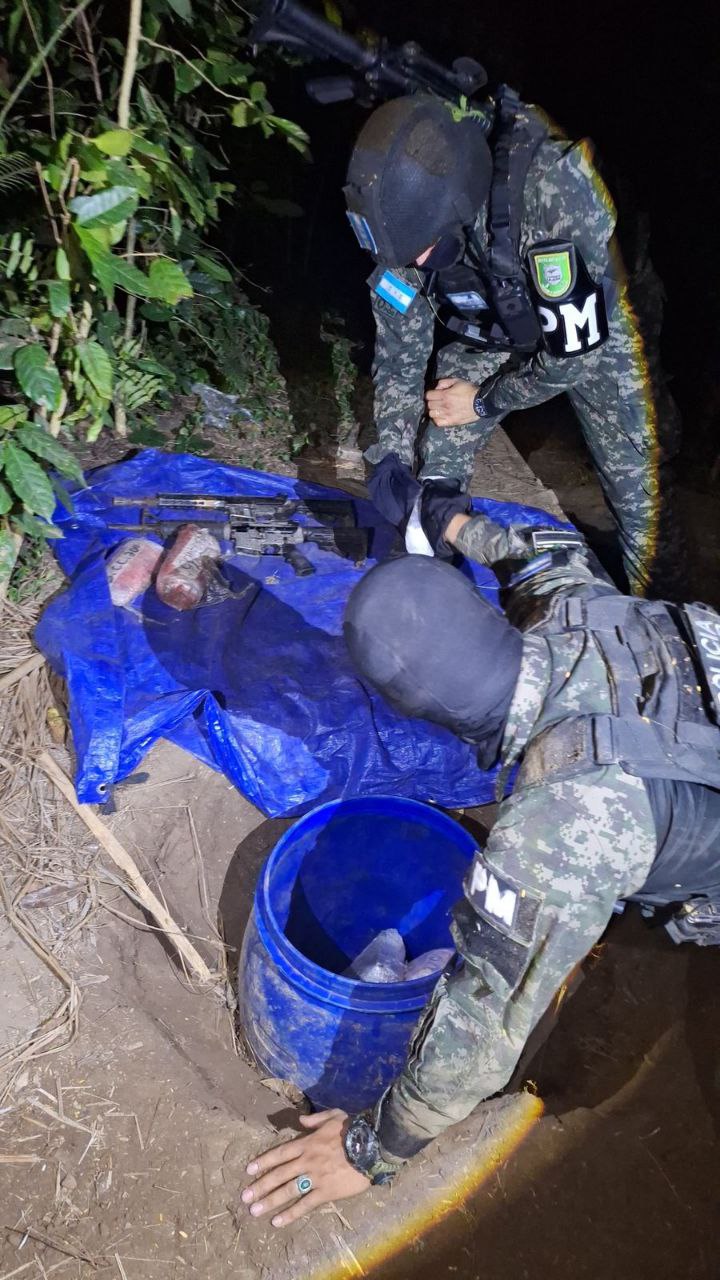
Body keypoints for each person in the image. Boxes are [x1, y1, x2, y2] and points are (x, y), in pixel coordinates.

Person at [241, 478, 720, 1228]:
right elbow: (537, 550)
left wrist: (370, 1148)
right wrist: (448, 519)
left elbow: (486, 1020)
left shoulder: (562, 825)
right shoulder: (579, 606)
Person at [342, 89, 682, 597]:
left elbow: (574, 358)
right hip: (502, 325)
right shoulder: (404, 233)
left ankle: (663, 612)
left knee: (640, 496)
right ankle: (432, 543)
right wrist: (390, 455)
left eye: (422, 252)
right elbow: (398, 357)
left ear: (457, 204)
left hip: (597, 333)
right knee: (442, 434)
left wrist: (482, 400)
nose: (413, 265)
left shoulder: (550, 198)